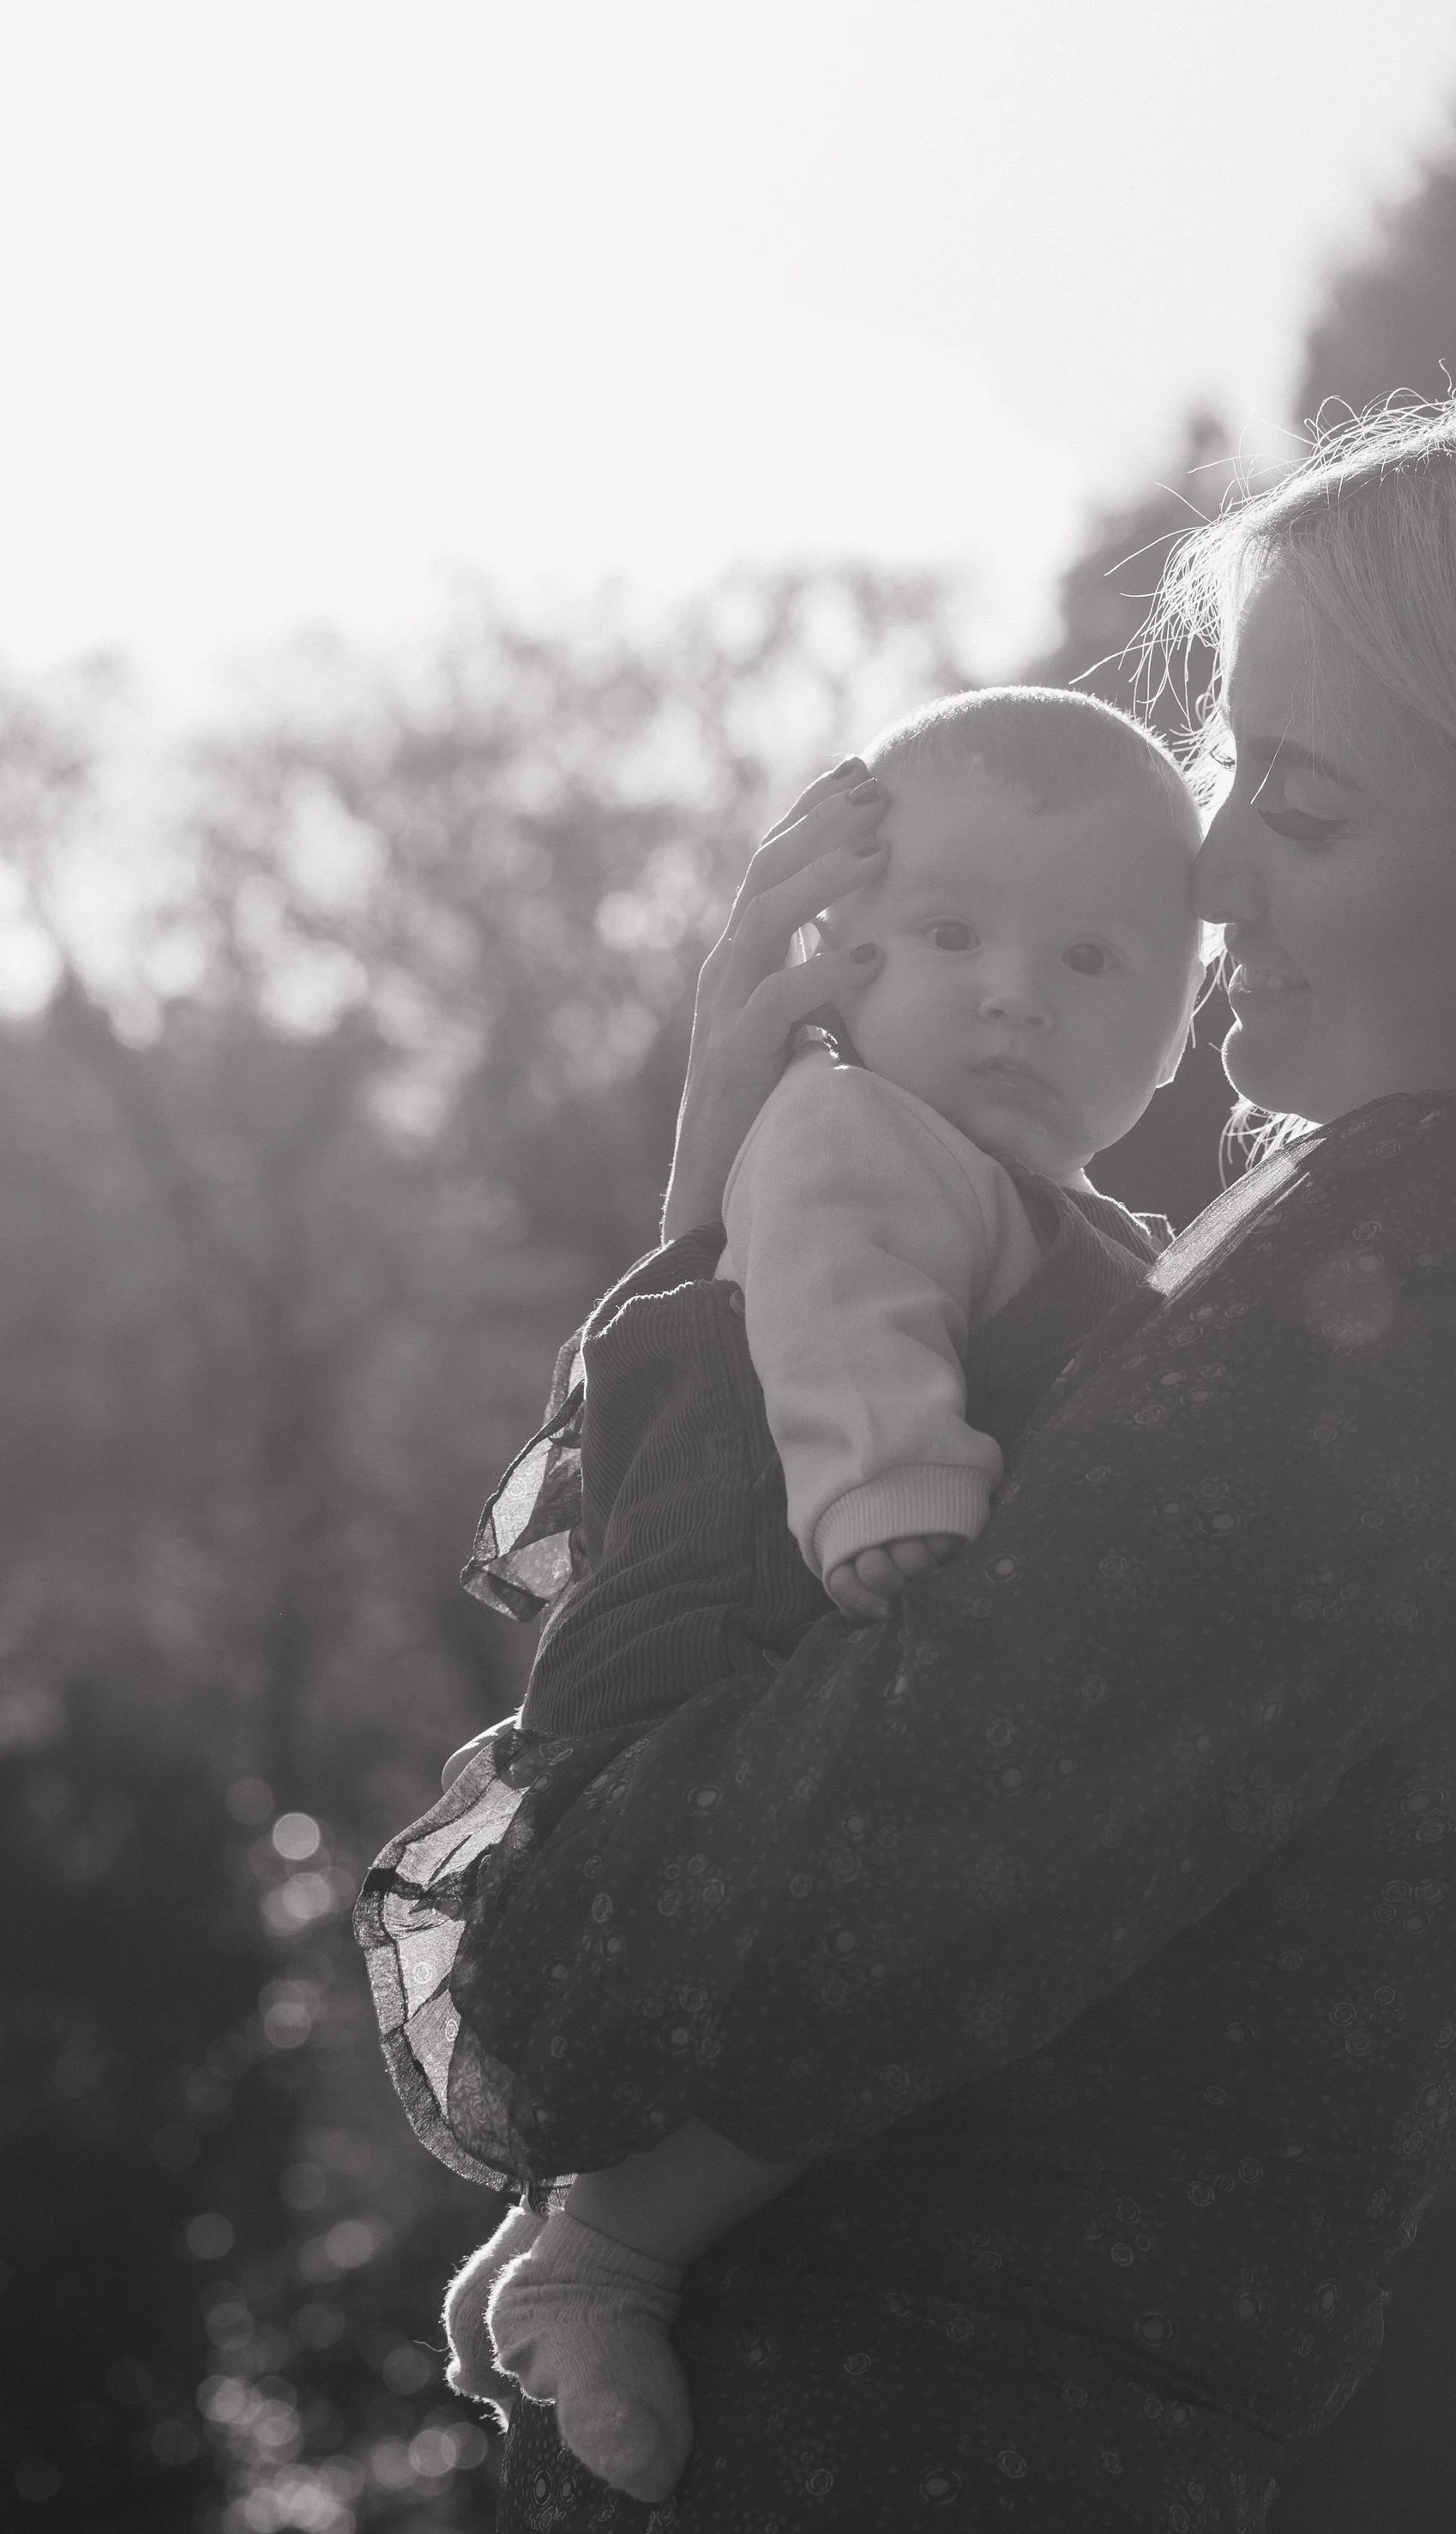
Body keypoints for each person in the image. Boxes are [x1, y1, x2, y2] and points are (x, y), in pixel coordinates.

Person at [396, 328, 1456, 2531]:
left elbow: (607, 1970)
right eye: (1218, 781)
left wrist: (731, 1272)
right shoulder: (1435, 1264)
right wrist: (755, 1235)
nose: (1202, 877)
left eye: (1299, 801)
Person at [361, 687, 1205, 2496]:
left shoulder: (1057, 1217)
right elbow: (835, 1306)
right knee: (834, 1970)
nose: (1010, 994)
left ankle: (558, 2243)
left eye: (1087, 961)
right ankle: (600, 2255)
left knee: (831, 1975)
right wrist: (891, 1492)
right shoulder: (849, 1134)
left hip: (773, 1652)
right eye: (950, 937)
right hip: (746, 1640)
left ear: (1175, 1020)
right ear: (838, 965)